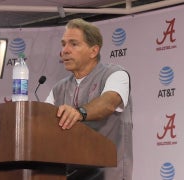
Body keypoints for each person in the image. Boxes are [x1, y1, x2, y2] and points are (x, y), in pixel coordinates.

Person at [45, 18, 133, 180]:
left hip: (108, 174)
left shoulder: (115, 75)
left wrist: (79, 113)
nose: (65, 50)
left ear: (93, 51)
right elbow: (41, 124)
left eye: (73, 44)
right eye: (63, 44)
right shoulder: (59, 88)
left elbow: (108, 103)